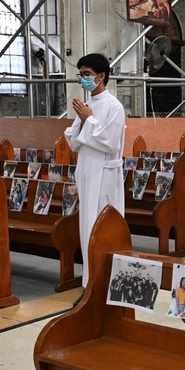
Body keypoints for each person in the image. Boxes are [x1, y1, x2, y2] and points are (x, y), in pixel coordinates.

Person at [64, 53, 126, 288]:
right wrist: (83, 120)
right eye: (81, 75)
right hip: (87, 173)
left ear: (101, 76)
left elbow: (110, 142)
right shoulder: (87, 106)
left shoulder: (114, 107)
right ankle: (90, 281)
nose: (83, 80)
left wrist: (88, 120)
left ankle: (107, 282)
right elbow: (73, 141)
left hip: (105, 176)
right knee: (87, 227)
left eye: (87, 75)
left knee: (103, 228)